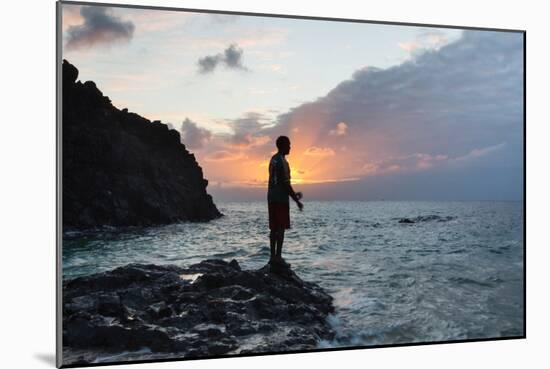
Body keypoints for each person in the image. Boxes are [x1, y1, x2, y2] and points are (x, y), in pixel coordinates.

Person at [267, 136, 303, 267]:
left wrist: (294, 195)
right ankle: (278, 257)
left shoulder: (273, 160)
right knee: (281, 228)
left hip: (271, 197)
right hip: (281, 199)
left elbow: (276, 181)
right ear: (282, 146)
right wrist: (296, 201)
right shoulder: (282, 162)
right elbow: (285, 184)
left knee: (274, 228)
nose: (290, 147)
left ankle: (272, 257)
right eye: (288, 145)